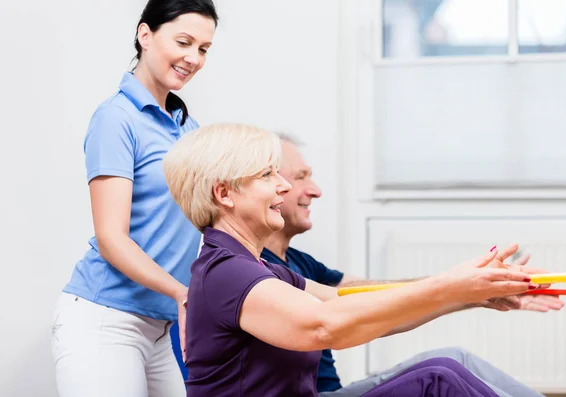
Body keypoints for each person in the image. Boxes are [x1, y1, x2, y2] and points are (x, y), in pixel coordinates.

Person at [163, 123, 540, 396]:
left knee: (441, 371)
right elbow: (325, 326)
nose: (283, 185)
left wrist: (469, 293)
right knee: (438, 380)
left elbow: (359, 307)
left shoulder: (262, 269)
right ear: (224, 193)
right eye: (267, 174)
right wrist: (449, 286)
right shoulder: (225, 272)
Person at [260, 134, 565, 397]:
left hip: (335, 391)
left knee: (454, 357)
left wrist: (476, 290)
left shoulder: (300, 262)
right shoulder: (257, 270)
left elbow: (376, 297)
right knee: (440, 373)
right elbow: (367, 313)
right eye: (300, 177)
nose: (315, 190)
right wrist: (461, 288)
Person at [51, 1, 218, 396]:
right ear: (145, 35)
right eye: (184, 41)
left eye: (204, 49)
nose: (193, 58)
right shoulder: (116, 118)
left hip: (158, 328)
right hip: (104, 321)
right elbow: (112, 239)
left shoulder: (188, 127)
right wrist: (181, 291)